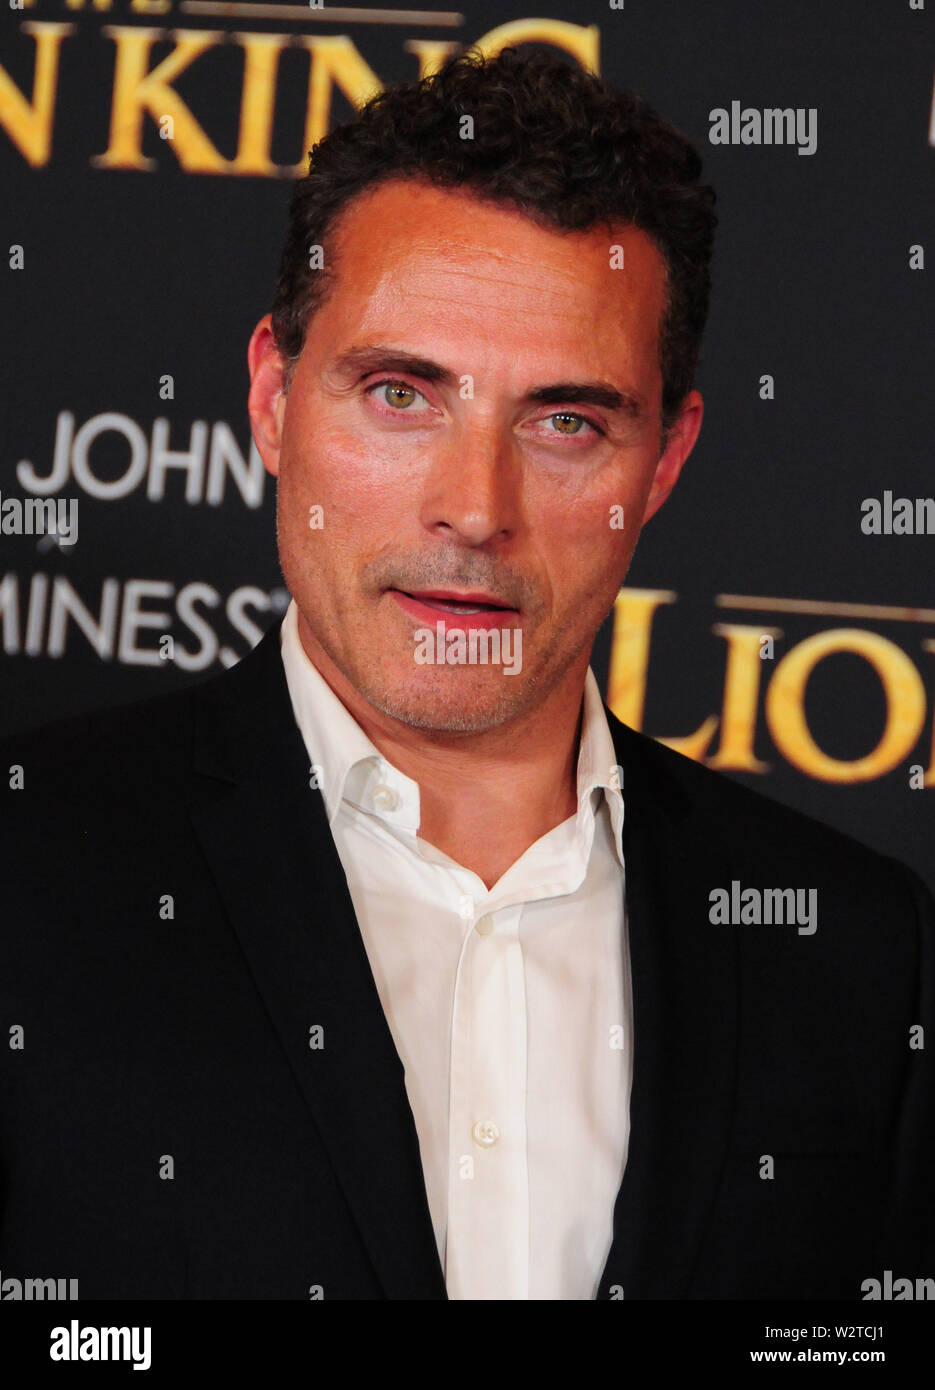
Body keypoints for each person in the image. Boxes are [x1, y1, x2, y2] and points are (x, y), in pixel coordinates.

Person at [1, 46, 932, 1302]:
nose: (473, 508)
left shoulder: (854, 950)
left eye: (564, 422)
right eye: (400, 393)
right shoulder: (30, 862)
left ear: (661, 463)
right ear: (273, 401)